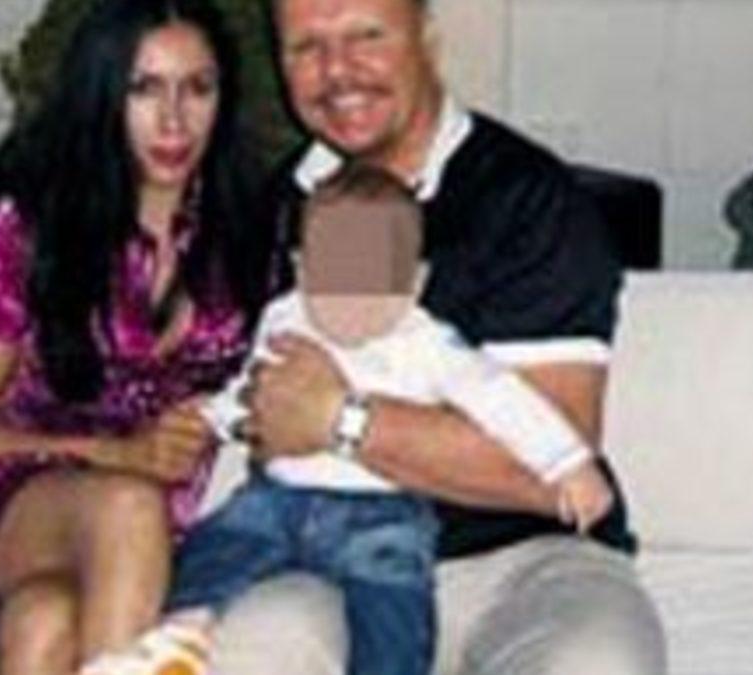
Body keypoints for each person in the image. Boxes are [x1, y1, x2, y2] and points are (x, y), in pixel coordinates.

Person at [230, 0, 669, 672]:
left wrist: (340, 419)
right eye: (305, 47)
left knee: (596, 662)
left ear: (426, 39)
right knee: (239, 648)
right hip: (326, 556)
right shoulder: (280, 205)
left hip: (523, 561)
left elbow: (545, 467)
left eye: (366, 36)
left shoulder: (530, 200)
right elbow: (255, 406)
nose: (337, 71)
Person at [0, 1, 280, 673]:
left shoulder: (249, 235)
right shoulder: (31, 230)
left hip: (151, 538)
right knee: (127, 503)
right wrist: (118, 454)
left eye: (197, 88)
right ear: (103, 96)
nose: (175, 120)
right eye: (144, 88)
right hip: (0, 508)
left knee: (43, 623)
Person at [160, 162, 614, 675]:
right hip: (279, 497)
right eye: (333, 278)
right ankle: (183, 631)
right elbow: (255, 386)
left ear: (415, 282)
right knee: (219, 543)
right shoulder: (287, 317)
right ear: (302, 269)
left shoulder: (424, 342)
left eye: (374, 282)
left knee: (393, 610)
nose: (351, 300)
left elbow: (503, 401)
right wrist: (214, 418)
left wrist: (568, 463)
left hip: (378, 512)